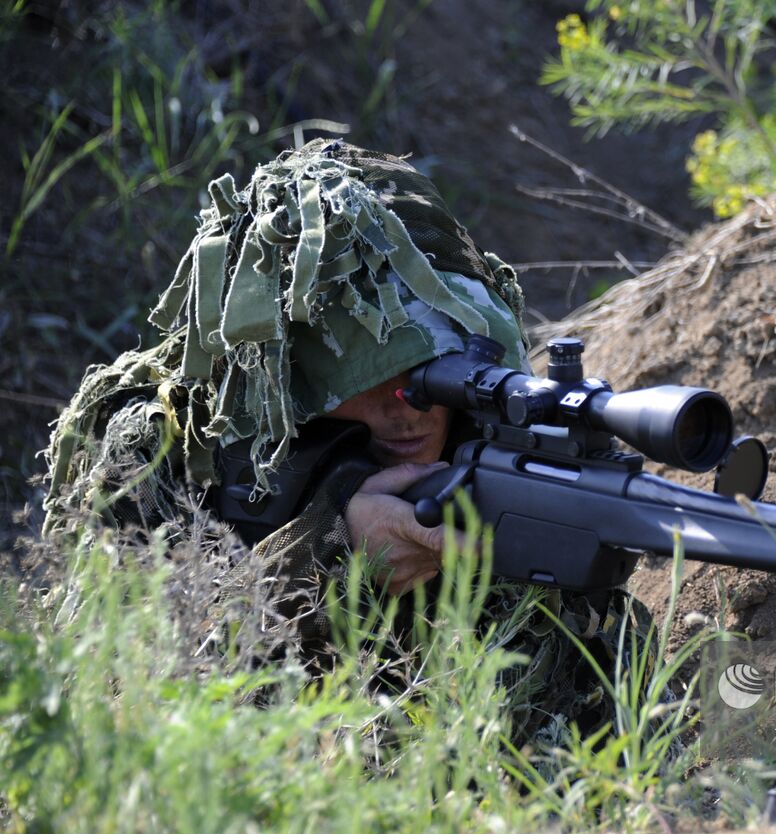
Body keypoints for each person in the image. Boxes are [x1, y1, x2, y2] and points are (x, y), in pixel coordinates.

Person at [42, 139, 659, 746]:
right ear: (282, 376)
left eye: (431, 371)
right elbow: (136, 700)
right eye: (366, 378)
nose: (409, 407)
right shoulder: (155, 444)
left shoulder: (490, 443)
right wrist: (332, 550)